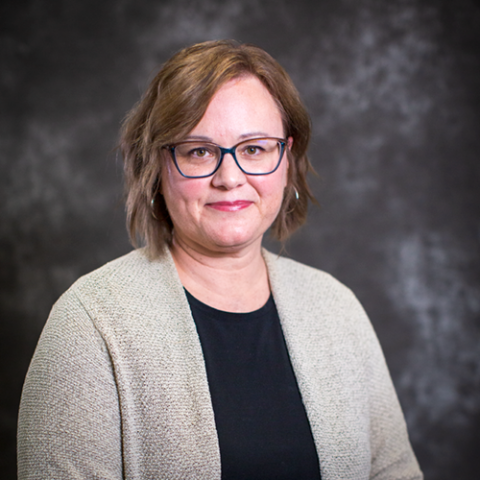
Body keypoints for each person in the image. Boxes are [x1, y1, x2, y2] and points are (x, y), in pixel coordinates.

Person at [17, 40, 423, 480]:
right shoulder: (90, 323)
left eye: (254, 149)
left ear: (288, 158)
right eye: (199, 151)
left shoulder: (336, 308)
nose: (229, 178)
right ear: (158, 167)